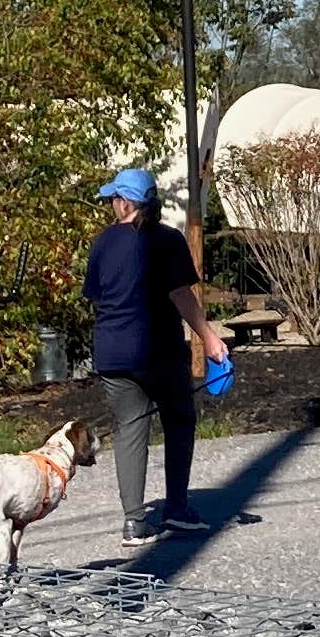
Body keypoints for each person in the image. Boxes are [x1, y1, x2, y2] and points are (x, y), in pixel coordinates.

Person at [84, 167, 226, 544]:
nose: (112, 204)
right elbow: (182, 296)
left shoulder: (102, 243)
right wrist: (210, 339)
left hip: (112, 352)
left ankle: (134, 521)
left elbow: (97, 298)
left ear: (125, 202)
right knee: (179, 418)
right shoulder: (168, 240)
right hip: (158, 349)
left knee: (129, 429)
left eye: (114, 198)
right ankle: (177, 508)